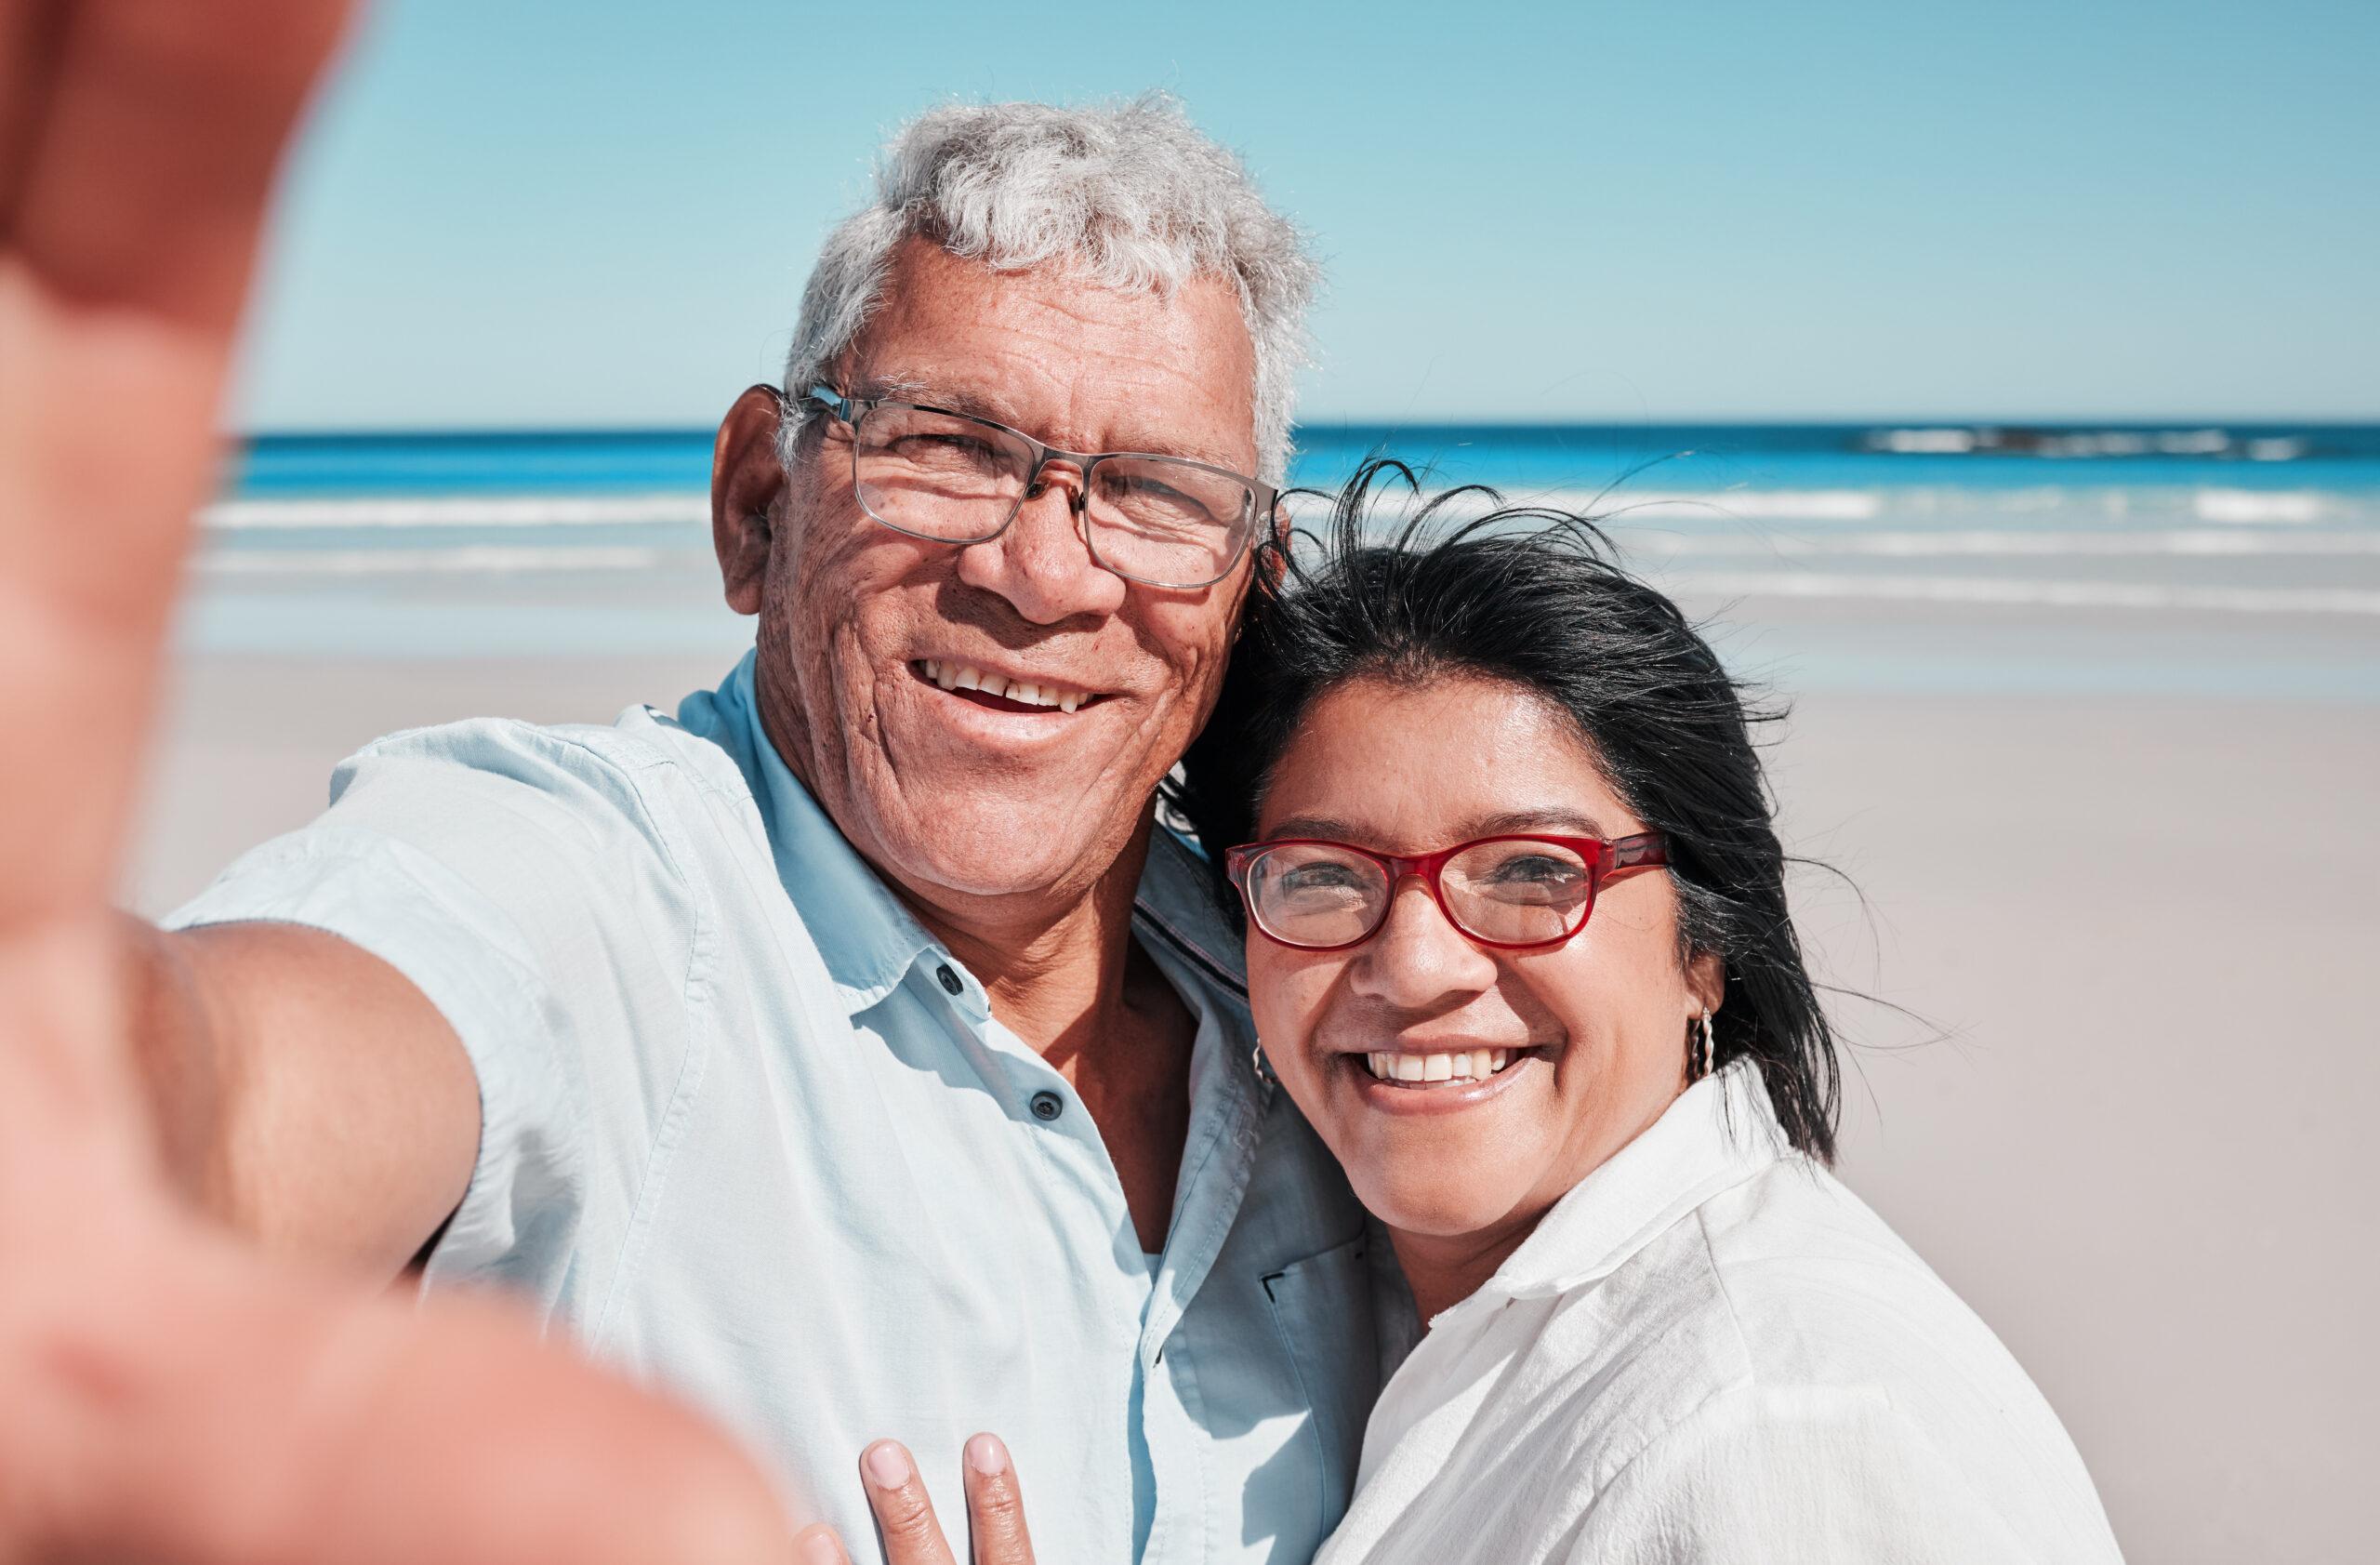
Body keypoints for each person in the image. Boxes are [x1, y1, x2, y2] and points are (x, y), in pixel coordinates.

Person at [2, 8, 1394, 1561]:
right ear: (755, 505)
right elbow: (284, 1050)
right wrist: (110, 1113)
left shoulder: (1340, 1010)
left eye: (1151, 494)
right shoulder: (597, 895)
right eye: (946, 445)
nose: (1041, 570)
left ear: (1242, 599)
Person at [843, 471, 2127, 1563]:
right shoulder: (1449, 1327)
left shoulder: (1771, 1430)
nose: (1414, 966)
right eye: (1326, 876)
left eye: (1529, 876)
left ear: (1706, 951)